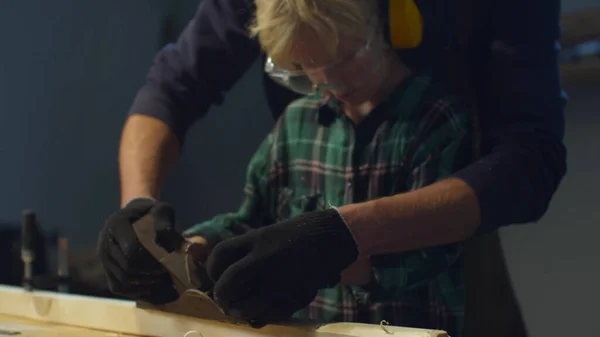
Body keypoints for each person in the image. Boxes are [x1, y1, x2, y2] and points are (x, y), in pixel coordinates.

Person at [97, 0, 567, 335]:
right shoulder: (297, 123)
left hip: (446, 252)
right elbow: (173, 88)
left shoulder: (437, 122)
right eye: (301, 71)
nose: (328, 83)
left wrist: (345, 239)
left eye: (342, 59)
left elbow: (529, 162)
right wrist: (147, 220)